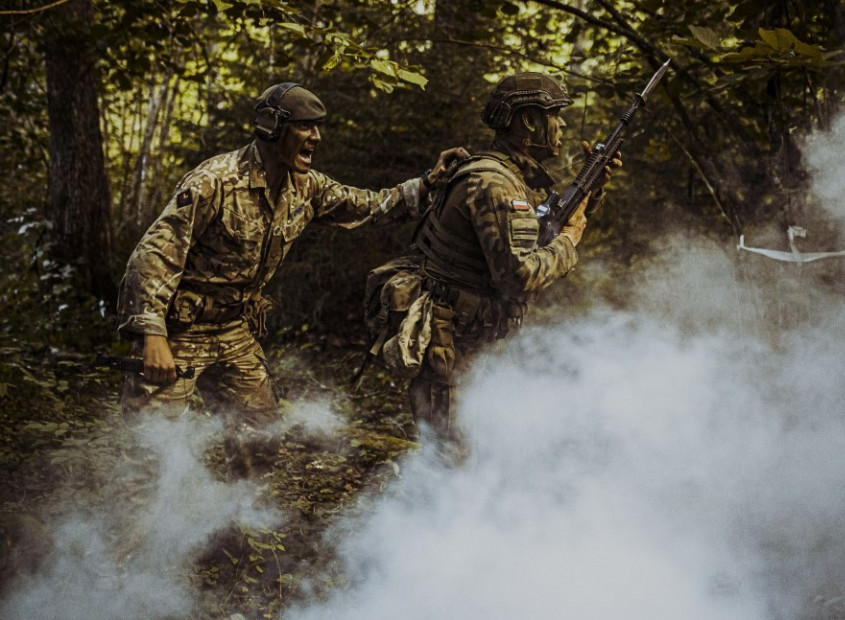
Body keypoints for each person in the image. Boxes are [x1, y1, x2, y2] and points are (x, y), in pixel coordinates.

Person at [117, 81, 467, 475]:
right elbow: (154, 254)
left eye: (318, 127)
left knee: (259, 439)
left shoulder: (307, 186)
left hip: (234, 330)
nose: (316, 137)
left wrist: (426, 184)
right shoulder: (215, 181)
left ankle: (237, 528)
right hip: (178, 330)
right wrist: (152, 335)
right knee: (148, 453)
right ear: (271, 127)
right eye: (305, 126)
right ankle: (128, 535)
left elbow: (368, 205)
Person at [367, 72, 619, 441]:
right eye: (554, 114)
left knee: (483, 454)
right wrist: (570, 240)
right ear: (528, 121)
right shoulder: (493, 182)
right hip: (453, 349)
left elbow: (536, 237)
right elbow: (518, 275)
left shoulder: (510, 178)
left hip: (480, 343)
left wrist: (590, 196)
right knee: (452, 461)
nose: (562, 123)